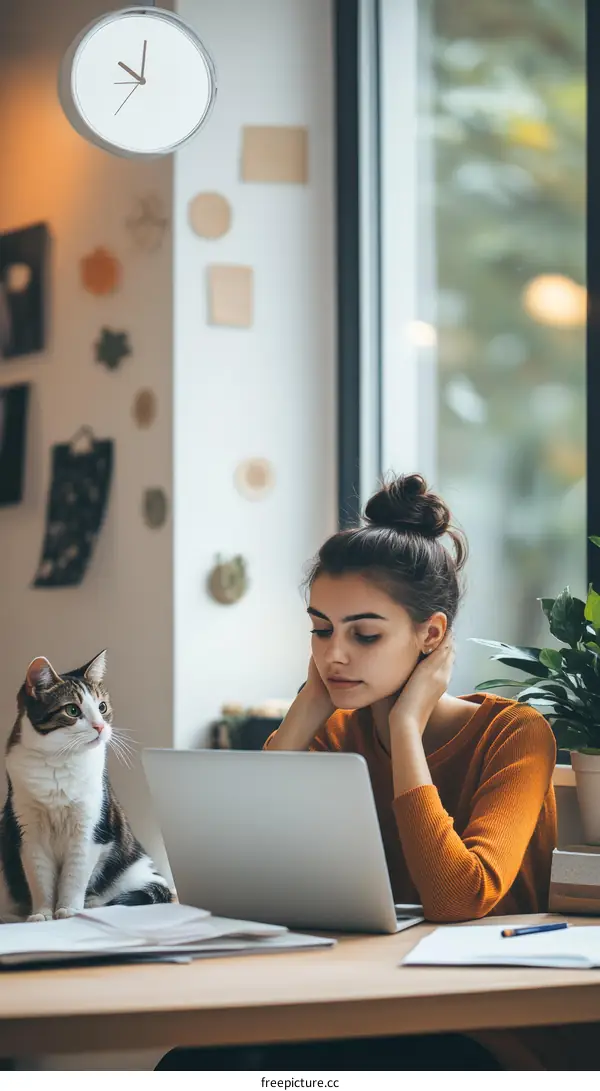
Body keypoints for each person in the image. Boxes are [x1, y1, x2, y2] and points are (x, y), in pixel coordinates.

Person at [157, 472, 558, 1072]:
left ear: (432, 636)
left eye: (364, 634)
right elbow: (232, 882)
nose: (333, 655)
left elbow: (458, 897)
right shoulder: (333, 733)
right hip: (356, 1001)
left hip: (475, 1025)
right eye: (320, 630)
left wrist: (404, 730)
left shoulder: (516, 735)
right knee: (191, 1065)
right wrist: (298, 720)